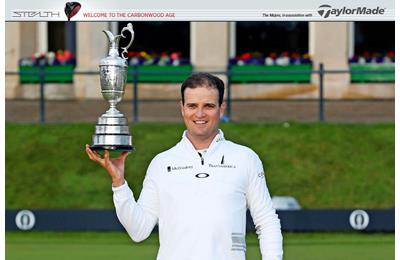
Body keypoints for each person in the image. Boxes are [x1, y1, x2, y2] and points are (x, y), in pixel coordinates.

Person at [86, 72, 283, 260]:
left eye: (208, 106)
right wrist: (119, 183)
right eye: (192, 105)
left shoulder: (245, 158)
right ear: (182, 108)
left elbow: (266, 222)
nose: (199, 113)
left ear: (221, 108)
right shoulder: (162, 163)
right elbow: (139, 231)